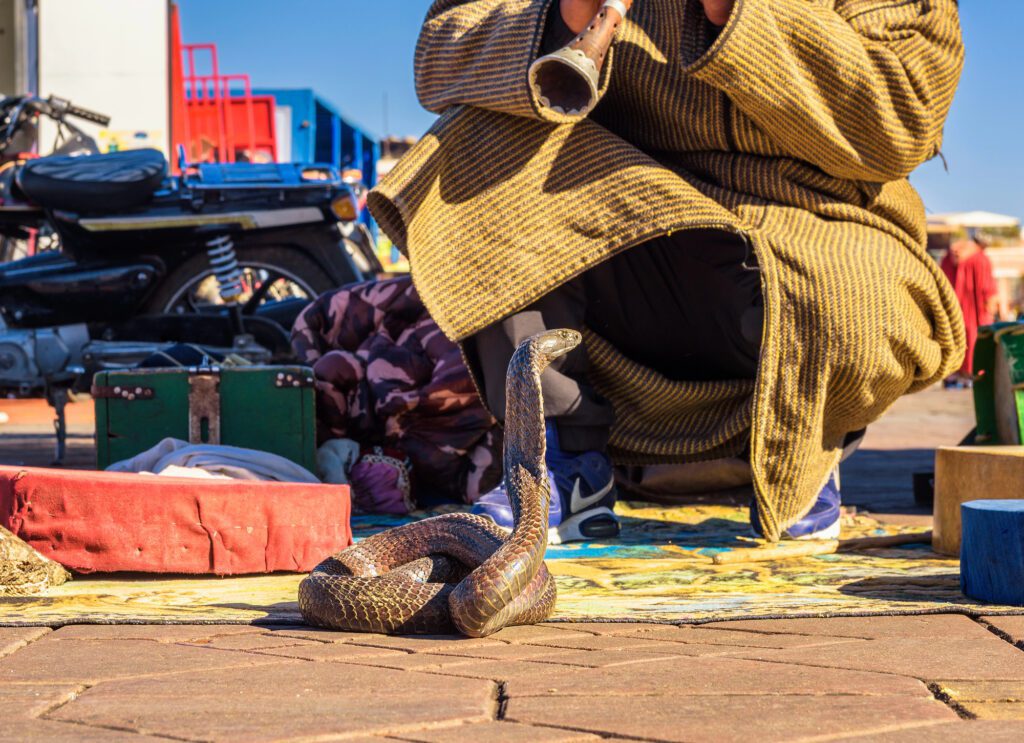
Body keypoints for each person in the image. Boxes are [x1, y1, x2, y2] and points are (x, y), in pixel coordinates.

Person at [368, 0, 966, 543]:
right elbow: (440, 54)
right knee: (477, 139)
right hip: (631, 211)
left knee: (855, 300)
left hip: (812, 223)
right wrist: (565, 18)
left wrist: (737, 12)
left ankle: (802, 454)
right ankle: (561, 464)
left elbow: (903, 118)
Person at [941, 232, 998, 385]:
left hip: (954, 307)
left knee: (955, 337)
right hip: (977, 309)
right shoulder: (982, 259)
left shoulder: (948, 257)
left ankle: (954, 372)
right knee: (976, 338)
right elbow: (987, 287)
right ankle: (974, 372)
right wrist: (992, 305)